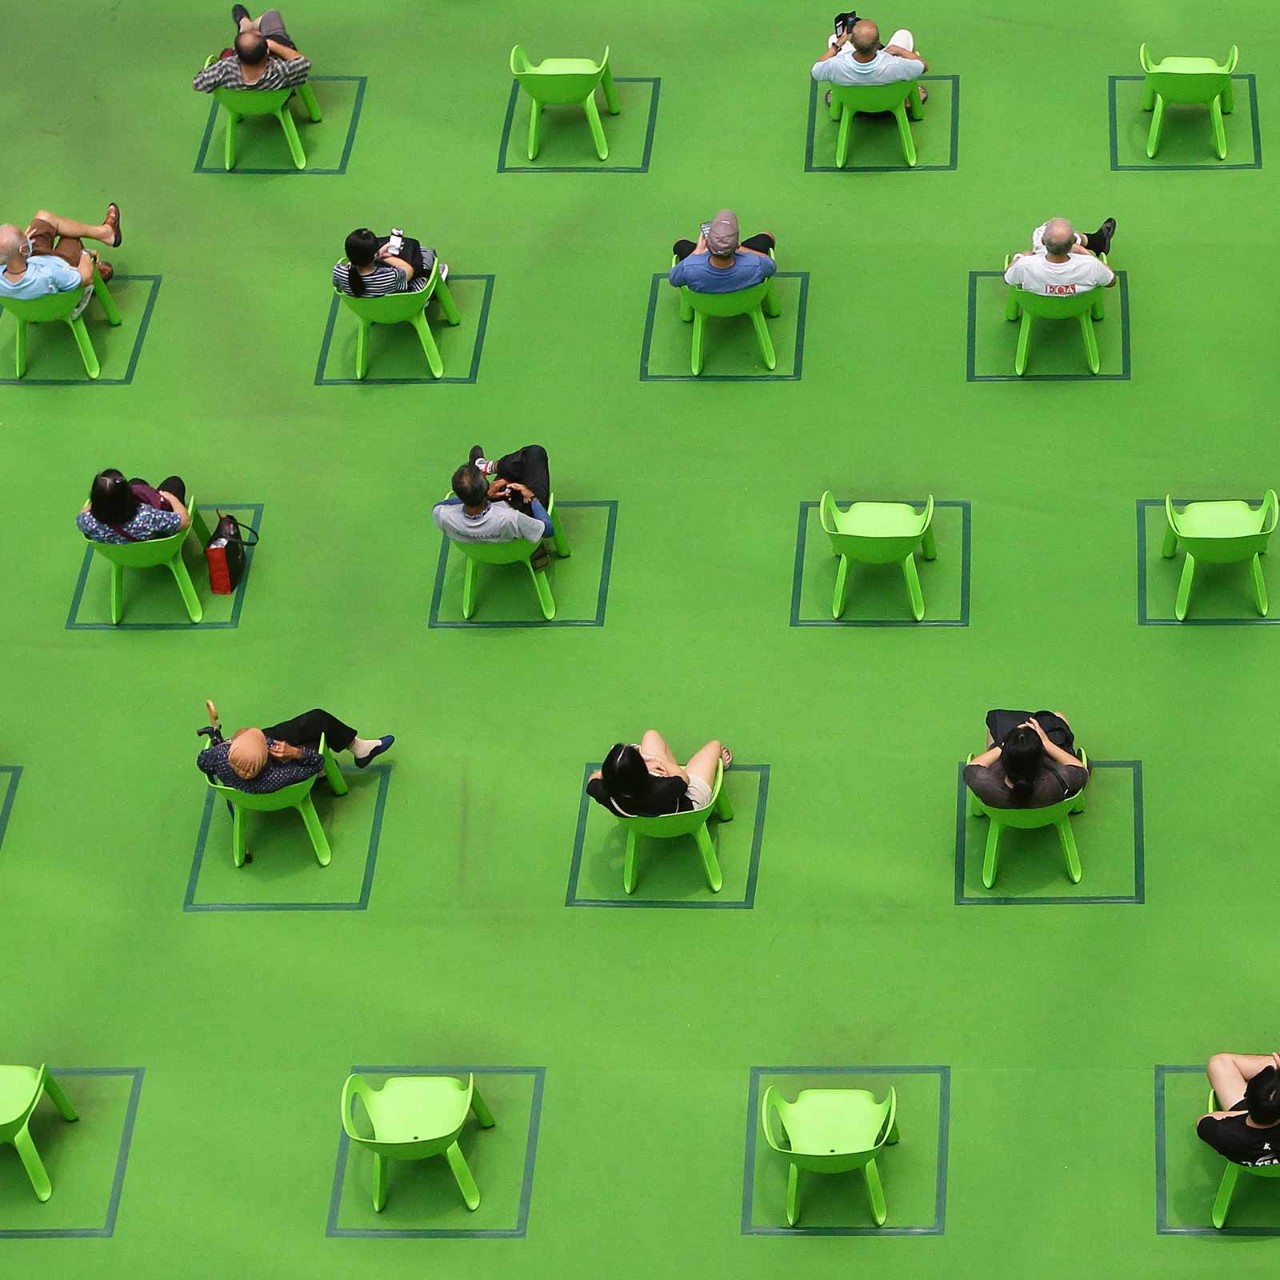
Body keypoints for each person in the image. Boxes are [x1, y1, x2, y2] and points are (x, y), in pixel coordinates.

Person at [196, 701, 394, 795]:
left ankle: (358, 748)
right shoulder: (276, 777)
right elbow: (318, 763)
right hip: (284, 775)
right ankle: (358, 749)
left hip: (246, 779)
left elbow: (202, 760)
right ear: (265, 755)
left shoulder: (220, 757)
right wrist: (294, 753)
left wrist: (223, 744)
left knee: (305, 725)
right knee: (316, 722)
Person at [432, 445, 555, 555]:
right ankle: (489, 466)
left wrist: (484, 496)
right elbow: (548, 530)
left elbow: (441, 505)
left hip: (484, 548)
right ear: (486, 487)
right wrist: (532, 497)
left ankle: (484, 467)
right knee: (535, 453)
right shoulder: (511, 518)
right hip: (517, 541)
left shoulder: (442, 515)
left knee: (511, 475)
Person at [587, 732, 733, 818]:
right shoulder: (664, 787)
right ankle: (719, 764)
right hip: (688, 811)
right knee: (714, 746)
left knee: (651, 735)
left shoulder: (604, 792)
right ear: (642, 771)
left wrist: (614, 772)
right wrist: (658, 761)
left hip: (644, 822)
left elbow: (592, 780)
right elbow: (683, 778)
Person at [963, 710, 1089, 810]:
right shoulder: (1059, 780)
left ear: (1004, 759)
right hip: (1050, 815)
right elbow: (1080, 769)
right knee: (1058, 716)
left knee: (995, 723)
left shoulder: (984, 784)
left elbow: (972, 766)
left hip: (1004, 817)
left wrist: (1004, 745)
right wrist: (1046, 742)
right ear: (1041, 758)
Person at [0, 204, 121, 299]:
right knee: (71, 237)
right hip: (59, 271)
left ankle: (106, 233)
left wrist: (22, 243)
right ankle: (106, 235)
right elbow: (85, 278)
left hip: (31, 263)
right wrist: (86, 253)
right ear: (23, 250)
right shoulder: (50, 274)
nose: (26, 234)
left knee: (44, 218)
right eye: (22, 234)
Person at [192, 7, 311, 92]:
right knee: (272, 15)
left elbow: (197, 84)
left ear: (236, 54)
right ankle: (249, 27)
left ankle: (246, 27)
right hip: (275, 104)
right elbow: (304, 63)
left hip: (240, 105)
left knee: (247, 26)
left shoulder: (225, 69)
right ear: (267, 52)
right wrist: (271, 44)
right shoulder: (280, 70)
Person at [1197, 1053, 1280, 1168]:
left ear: (1246, 1094)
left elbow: (1203, 1121)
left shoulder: (1225, 1133)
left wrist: (1257, 1110)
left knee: (1218, 1063)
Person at [811, 18, 928, 99]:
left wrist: (837, 45)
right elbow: (923, 66)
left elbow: (816, 71)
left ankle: (837, 97)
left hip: (853, 102)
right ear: (878, 43)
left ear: (852, 42)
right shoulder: (896, 65)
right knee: (903, 34)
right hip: (890, 100)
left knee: (833, 38)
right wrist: (900, 50)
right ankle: (908, 99)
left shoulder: (836, 65)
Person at [669, 210, 777, 295]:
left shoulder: (689, 268)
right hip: (744, 303)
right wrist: (740, 248)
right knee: (766, 237)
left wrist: (697, 251)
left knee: (680, 244)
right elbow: (771, 266)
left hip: (707, 306)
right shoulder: (755, 264)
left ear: (708, 244)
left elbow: (673, 280)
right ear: (735, 244)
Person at [1004, 217, 1118, 296]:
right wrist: (1084, 253)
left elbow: (1008, 279)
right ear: (1074, 243)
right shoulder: (1091, 265)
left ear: (1043, 241)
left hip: (1038, 308)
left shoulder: (1024, 265)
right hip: (1076, 308)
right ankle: (1095, 241)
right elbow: (1111, 282)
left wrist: (1020, 256)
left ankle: (1096, 241)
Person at [76, 469, 191, 545]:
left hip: (121, 555)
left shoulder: (86, 521)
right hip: (156, 549)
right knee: (174, 482)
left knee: (136, 481)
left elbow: (86, 510)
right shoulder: (148, 517)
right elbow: (184, 522)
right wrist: (171, 497)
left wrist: (102, 498)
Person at [332, 227, 445, 298]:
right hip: (401, 307)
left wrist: (376, 255)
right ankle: (433, 275)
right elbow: (408, 271)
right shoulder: (391, 276)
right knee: (426, 255)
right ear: (374, 255)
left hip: (369, 311)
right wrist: (384, 257)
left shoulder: (338, 272)